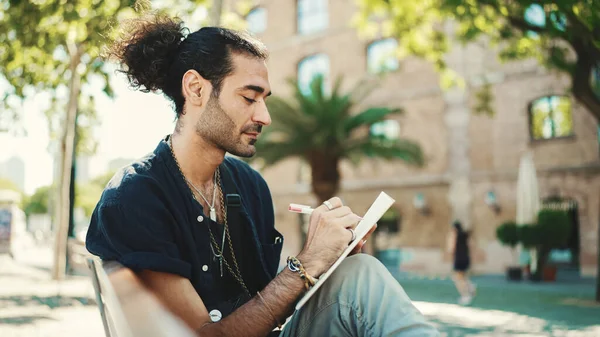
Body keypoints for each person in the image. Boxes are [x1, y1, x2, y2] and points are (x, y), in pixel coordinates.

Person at [86, 13, 440, 337]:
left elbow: (268, 306)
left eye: (265, 99)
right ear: (195, 89)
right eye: (249, 97)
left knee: (358, 274)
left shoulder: (248, 185)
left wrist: (326, 264)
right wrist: (306, 263)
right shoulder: (136, 196)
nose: (265, 116)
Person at [446, 220, 476, 305]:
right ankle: (470, 286)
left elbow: (451, 249)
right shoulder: (465, 235)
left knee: (457, 278)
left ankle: (465, 295)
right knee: (463, 276)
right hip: (466, 258)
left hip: (458, 259)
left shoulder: (454, 235)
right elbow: (471, 246)